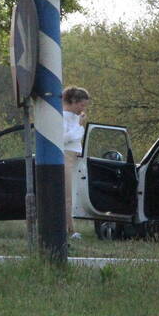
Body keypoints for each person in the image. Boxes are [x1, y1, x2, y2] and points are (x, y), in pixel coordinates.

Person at [62, 86, 90, 240]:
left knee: (70, 195)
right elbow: (64, 138)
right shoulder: (63, 117)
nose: (82, 108)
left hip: (74, 157)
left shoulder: (74, 117)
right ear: (72, 102)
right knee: (67, 195)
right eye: (81, 105)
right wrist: (80, 126)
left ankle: (69, 227)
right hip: (66, 156)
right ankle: (68, 229)